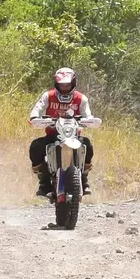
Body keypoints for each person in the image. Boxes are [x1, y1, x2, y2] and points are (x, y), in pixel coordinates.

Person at [29, 66, 95, 198]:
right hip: (53, 134)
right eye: (62, 85)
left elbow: (88, 114)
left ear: (73, 83)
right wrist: (35, 117)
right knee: (36, 147)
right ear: (56, 84)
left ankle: (84, 179)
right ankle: (43, 182)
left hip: (74, 135)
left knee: (87, 145)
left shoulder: (81, 99)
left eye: (67, 85)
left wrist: (88, 120)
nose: (64, 88)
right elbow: (38, 108)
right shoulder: (48, 96)